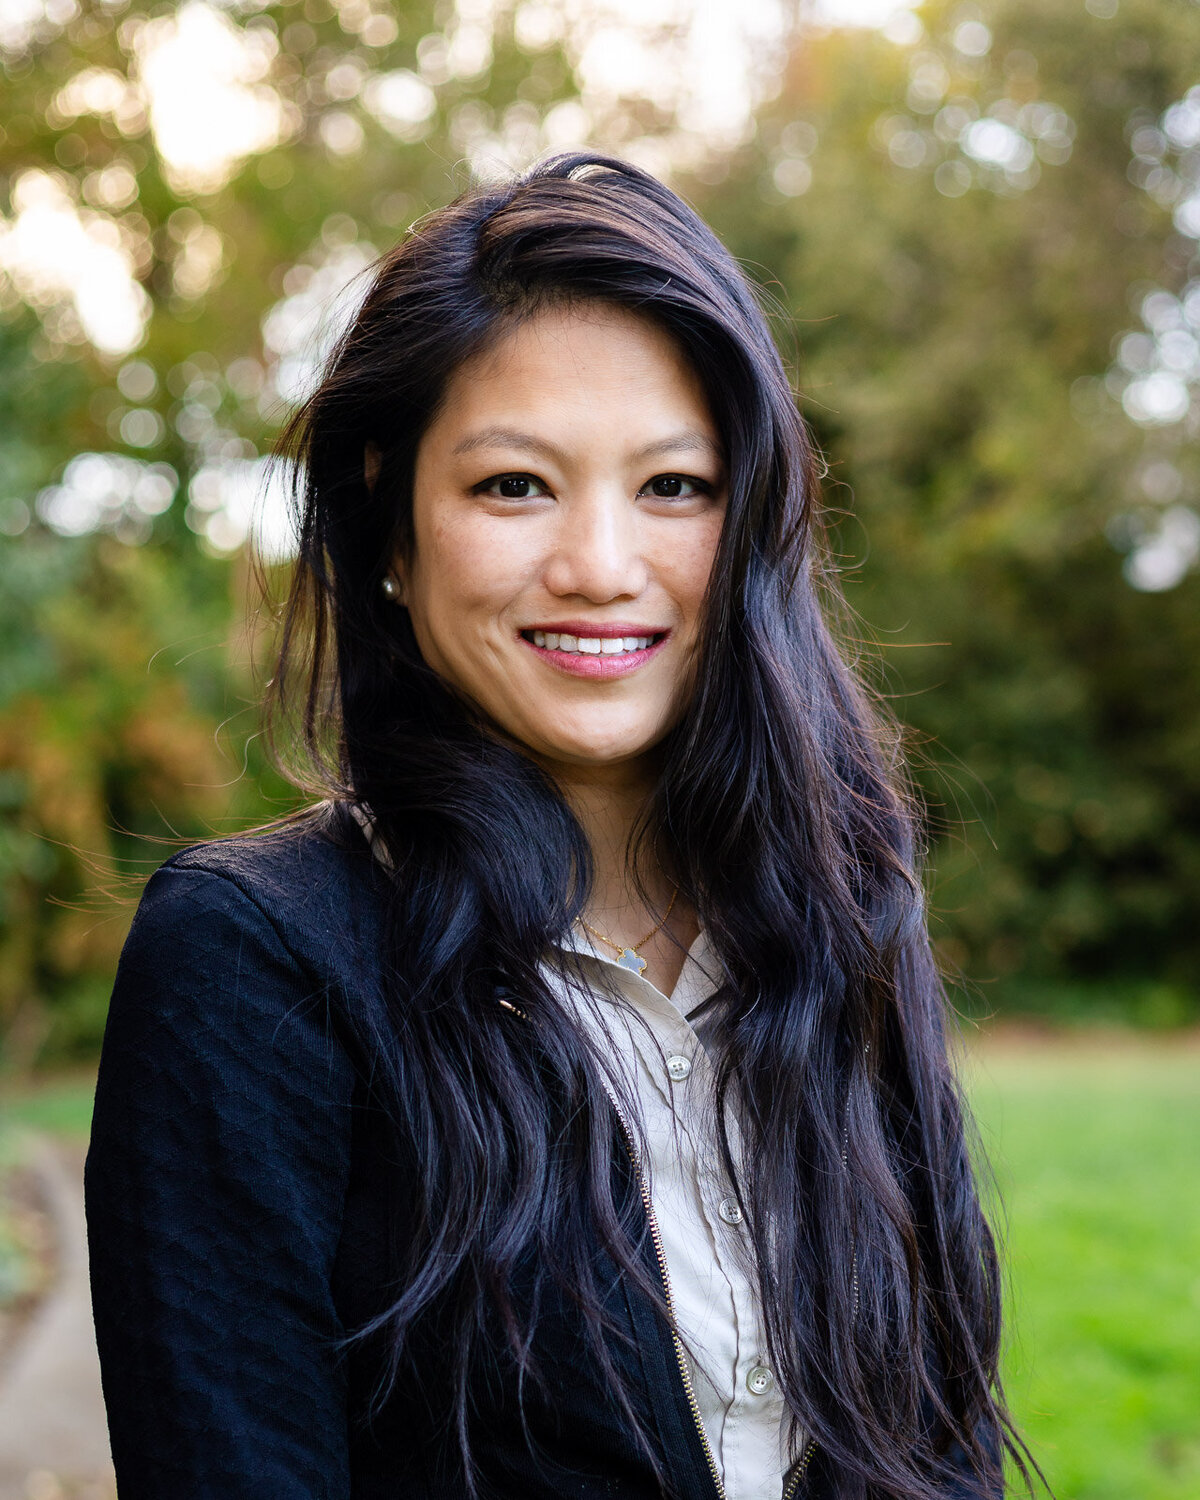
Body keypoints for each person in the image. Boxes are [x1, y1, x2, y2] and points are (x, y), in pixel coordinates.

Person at [85, 152, 1030, 1500]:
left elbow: (940, 1448)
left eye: (675, 487)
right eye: (514, 486)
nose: (598, 565)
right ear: (391, 526)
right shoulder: (254, 960)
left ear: (754, 521)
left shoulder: (846, 912)